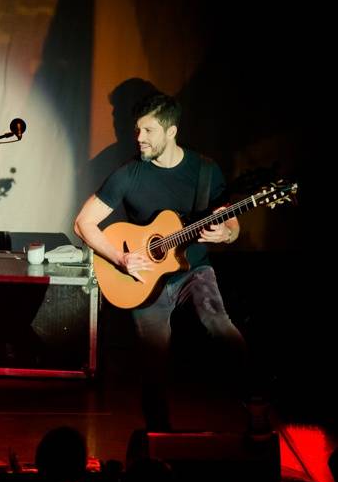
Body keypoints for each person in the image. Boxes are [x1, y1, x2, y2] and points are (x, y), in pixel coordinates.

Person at [74, 93, 247, 432]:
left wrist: (225, 235)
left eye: (148, 131)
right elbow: (83, 222)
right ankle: (159, 439)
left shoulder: (204, 171)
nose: (139, 139)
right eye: (138, 130)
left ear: (171, 132)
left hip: (193, 270)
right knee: (153, 364)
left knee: (221, 327)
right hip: (145, 280)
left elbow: (231, 222)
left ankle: (255, 405)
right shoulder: (129, 174)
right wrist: (120, 257)